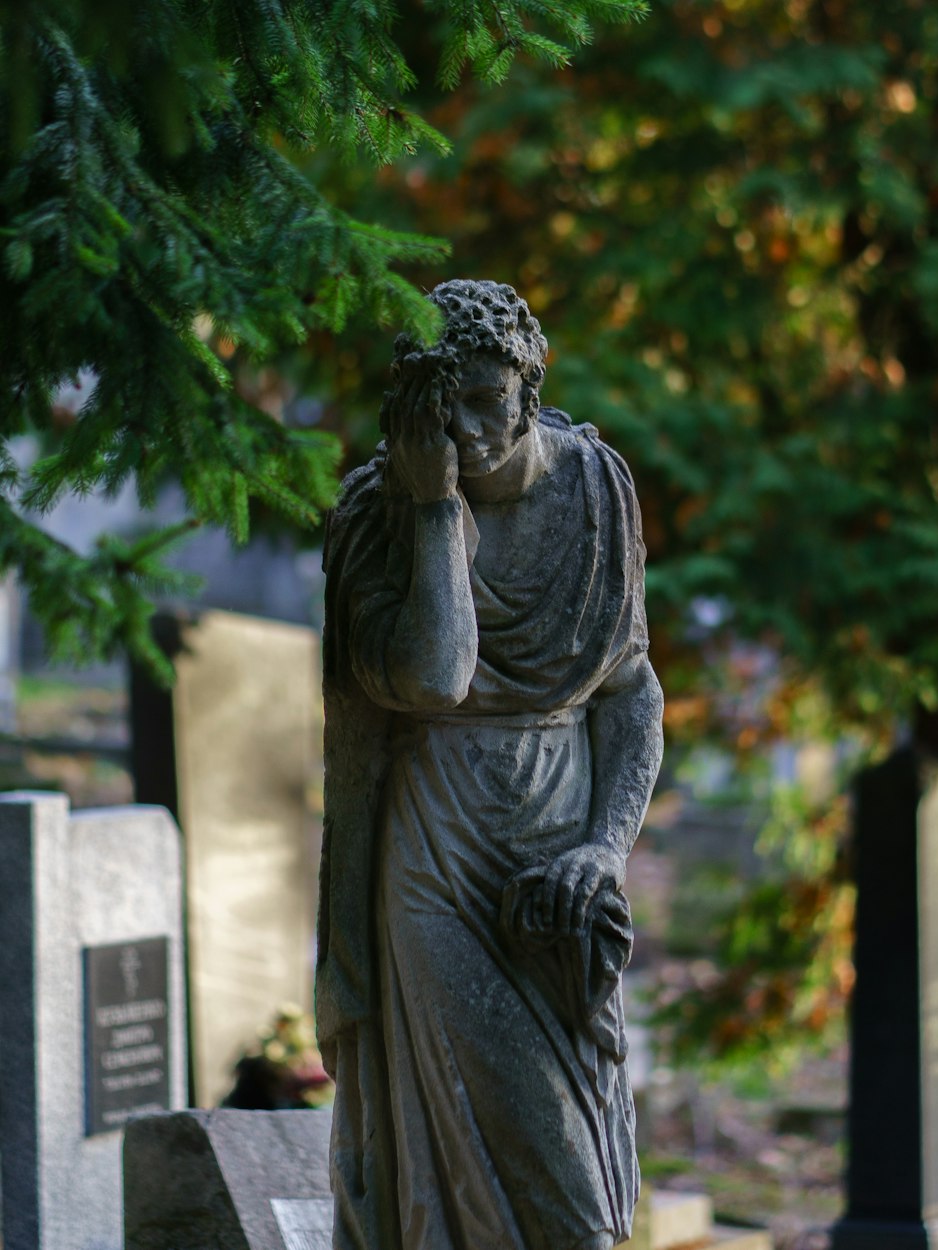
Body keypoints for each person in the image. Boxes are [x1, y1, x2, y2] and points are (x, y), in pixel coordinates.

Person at [316, 280, 663, 1250]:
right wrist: (434, 512)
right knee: (511, 1170)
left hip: (558, 851)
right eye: (441, 403)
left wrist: (604, 843)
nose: (465, 428)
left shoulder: (595, 487)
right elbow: (435, 676)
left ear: (529, 382)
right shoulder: (380, 514)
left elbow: (628, 690)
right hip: (435, 853)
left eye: (484, 398)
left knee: (585, 1172)